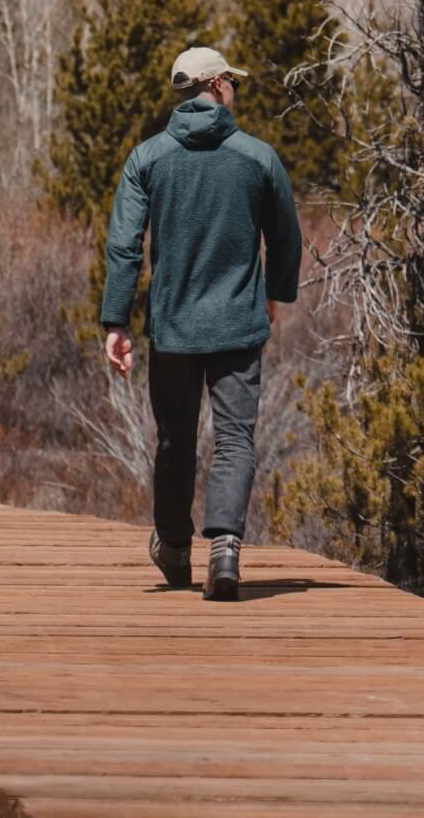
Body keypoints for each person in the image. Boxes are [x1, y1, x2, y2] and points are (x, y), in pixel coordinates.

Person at [99, 47, 302, 601]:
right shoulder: (257, 158)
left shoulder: (147, 159)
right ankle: (225, 551)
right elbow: (287, 234)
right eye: (231, 80)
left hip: (172, 328)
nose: (234, 87)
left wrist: (116, 321)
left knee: (174, 440)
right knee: (236, 437)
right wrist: (273, 293)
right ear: (216, 84)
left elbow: (123, 247)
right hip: (238, 322)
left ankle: (172, 544)